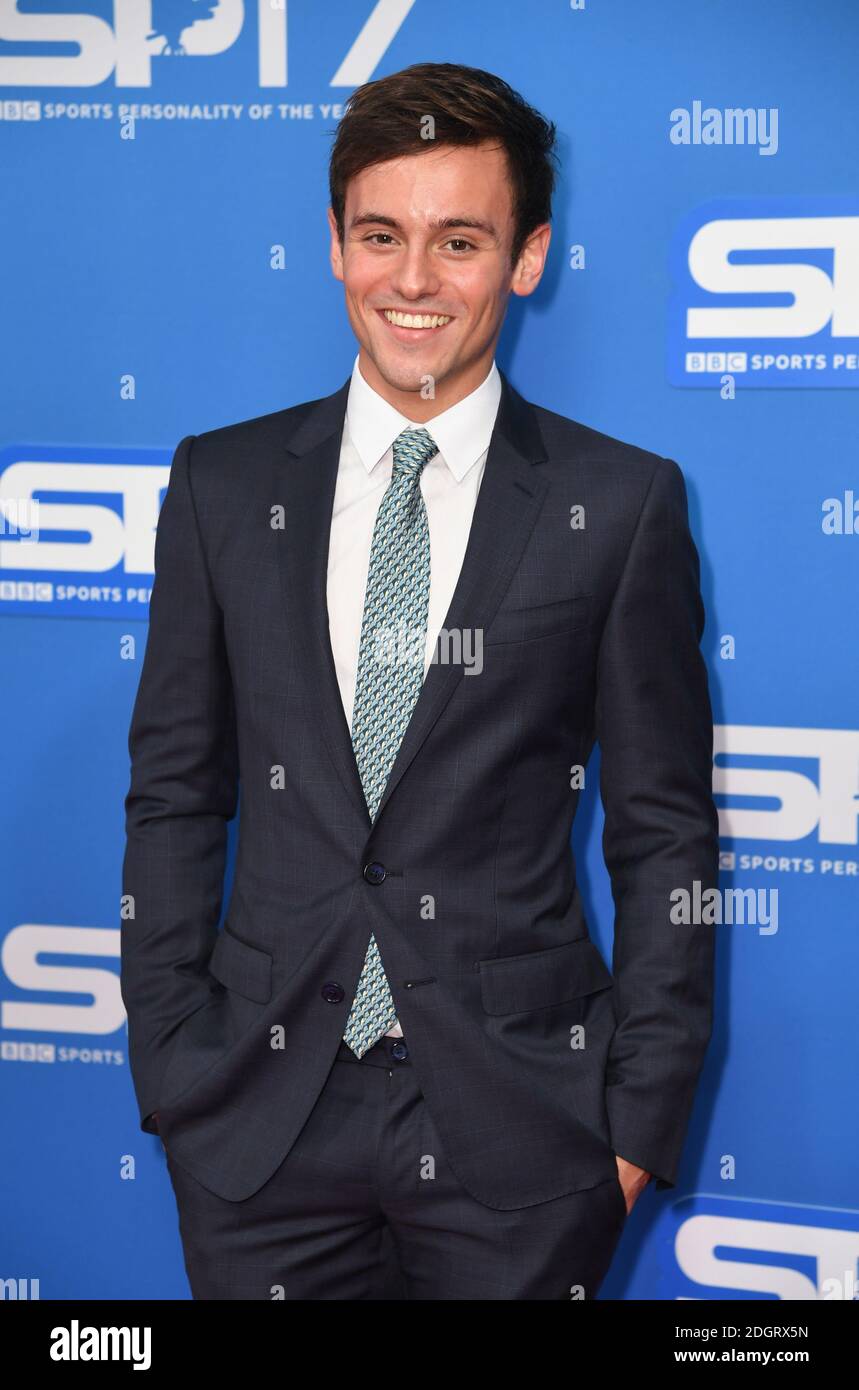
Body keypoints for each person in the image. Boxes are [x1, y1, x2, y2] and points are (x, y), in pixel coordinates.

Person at [120, 62, 719, 1301]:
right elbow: (176, 795)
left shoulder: (617, 504)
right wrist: (175, 1070)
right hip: (258, 1126)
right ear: (334, 245)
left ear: (527, 256)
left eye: (459, 240)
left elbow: (665, 836)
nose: (412, 280)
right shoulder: (222, 488)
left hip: (526, 1128)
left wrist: (632, 1127)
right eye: (381, 235)